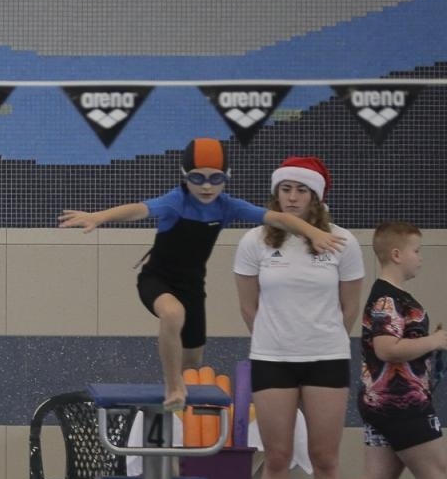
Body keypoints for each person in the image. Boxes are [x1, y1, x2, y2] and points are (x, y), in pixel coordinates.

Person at [60, 138, 344, 413]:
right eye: (198, 178)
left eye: (215, 178)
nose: (207, 186)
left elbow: (278, 218)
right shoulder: (176, 201)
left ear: (226, 176)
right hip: (156, 280)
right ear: (185, 176)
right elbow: (138, 210)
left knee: (193, 362)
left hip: (193, 289)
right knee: (172, 314)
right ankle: (173, 387)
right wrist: (99, 217)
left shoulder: (227, 206)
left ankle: (178, 408)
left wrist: (314, 232)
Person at [233, 157, 364, 479]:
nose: (292, 197)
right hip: (272, 359)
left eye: (301, 190)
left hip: (326, 358)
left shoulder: (342, 241)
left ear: (315, 196)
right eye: (286, 189)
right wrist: (274, 339)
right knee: (277, 458)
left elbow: (349, 307)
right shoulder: (254, 241)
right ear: (276, 194)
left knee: (326, 458)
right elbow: (248, 306)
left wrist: (323, 337)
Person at [343, 222, 446, 479]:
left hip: (383, 404)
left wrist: (428, 345)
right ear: (397, 255)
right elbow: (386, 348)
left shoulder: (393, 297)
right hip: (399, 403)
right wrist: (434, 341)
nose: (420, 258)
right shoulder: (387, 299)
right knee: (437, 474)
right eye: (417, 251)